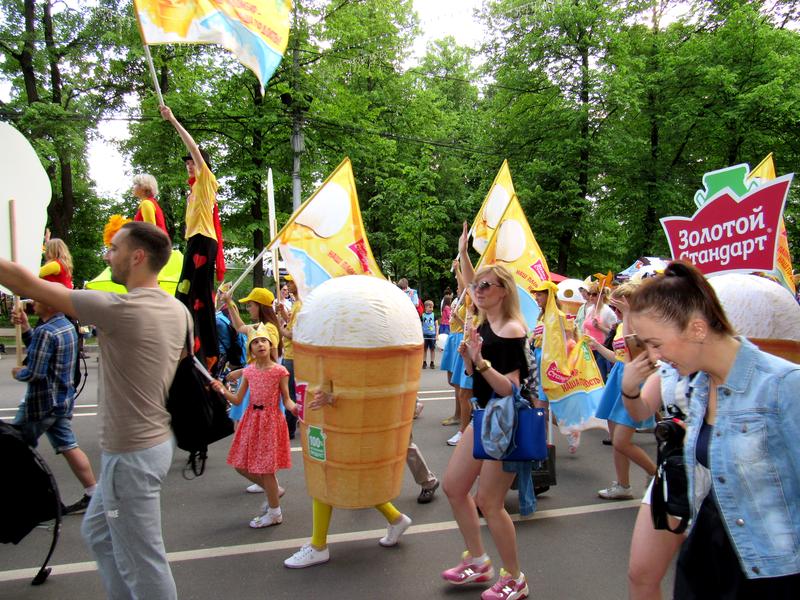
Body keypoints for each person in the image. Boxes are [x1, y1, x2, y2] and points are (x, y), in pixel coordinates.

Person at [0, 221, 187, 599]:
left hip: (131, 458)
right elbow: (180, 355)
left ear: (137, 257)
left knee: (143, 557)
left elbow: (28, 284)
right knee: (100, 532)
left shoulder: (119, 309)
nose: (108, 254)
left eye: (114, 248)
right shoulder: (178, 310)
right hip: (151, 446)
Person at [626, 260, 800, 598]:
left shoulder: (782, 385)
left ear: (697, 329)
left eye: (656, 343)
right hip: (707, 553)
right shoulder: (699, 386)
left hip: (771, 569)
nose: (654, 356)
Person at [442, 225, 530, 600]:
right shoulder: (484, 320)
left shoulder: (510, 328)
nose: (477, 290)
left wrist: (479, 363)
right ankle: (478, 561)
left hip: (503, 421)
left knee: (490, 503)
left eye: (486, 286)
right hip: (482, 417)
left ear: (504, 291)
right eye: (477, 286)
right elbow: (467, 277)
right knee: (454, 488)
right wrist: (463, 252)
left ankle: (515, 578)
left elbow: (510, 388)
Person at [283, 386, 413, 568]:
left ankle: (318, 546)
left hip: (348, 421)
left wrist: (334, 398)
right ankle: (396, 518)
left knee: (326, 476)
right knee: (344, 476)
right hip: (339, 417)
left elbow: (364, 381)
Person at [10, 299, 97, 515]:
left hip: (41, 405)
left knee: (14, 449)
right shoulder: (66, 326)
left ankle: (32, 504)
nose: (33, 302)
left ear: (49, 305)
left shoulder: (46, 331)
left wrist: (19, 373)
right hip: (61, 400)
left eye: (37, 299)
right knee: (69, 446)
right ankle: (94, 495)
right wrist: (26, 327)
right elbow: (41, 351)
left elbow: (35, 372)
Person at [211, 324, 297, 528]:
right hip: (251, 420)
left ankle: (275, 512)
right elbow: (238, 399)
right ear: (250, 349)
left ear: (271, 345)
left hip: (271, 421)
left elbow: (286, 399)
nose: (260, 344)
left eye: (264, 341)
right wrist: (222, 389)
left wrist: (295, 408)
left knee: (266, 469)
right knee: (240, 465)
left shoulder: (280, 371)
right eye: (255, 342)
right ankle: (274, 490)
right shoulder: (248, 371)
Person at [160, 104, 220, 370]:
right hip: (194, 241)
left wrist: (172, 119)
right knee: (184, 292)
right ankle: (187, 341)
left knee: (199, 295)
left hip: (203, 240)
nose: (189, 167)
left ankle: (207, 348)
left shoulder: (207, 181)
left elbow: (194, 148)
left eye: (191, 163)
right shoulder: (192, 193)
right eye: (186, 164)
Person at [591, 281, 655, 500]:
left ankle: (658, 475)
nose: (615, 311)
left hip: (634, 379)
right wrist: (597, 346)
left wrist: (627, 315)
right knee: (615, 436)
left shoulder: (642, 324)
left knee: (621, 441)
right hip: (619, 376)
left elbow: (632, 352)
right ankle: (623, 485)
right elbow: (618, 357)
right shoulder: (621, 324)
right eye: (615, 307)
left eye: (619, 306)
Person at [530, 280, 578, 453]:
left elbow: (571, 341)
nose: (536, 297)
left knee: (546, 406)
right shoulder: (541, 316)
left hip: (552, 363)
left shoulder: (559, 315)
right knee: (540, 406)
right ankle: (564, 433)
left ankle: (543, 447)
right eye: (536, 294)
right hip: (538, 360)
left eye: (540, 294)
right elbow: (535, 340)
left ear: (549, 295)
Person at [583, 282, 615, 381]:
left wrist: (599, 327)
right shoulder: (589, 309)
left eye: (594, 294)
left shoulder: (608, 312)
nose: (591, 297)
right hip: (589, 348)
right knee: (590, 376)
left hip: (601, 349)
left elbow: (612, 333)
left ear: (602, 295)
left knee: (601, 375)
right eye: (590, 294)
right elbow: (585, 328)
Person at [422, 300, 438, 368]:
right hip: (425, 334)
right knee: (424, 349)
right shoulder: (422, 315)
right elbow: (420, 325)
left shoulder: (434, 315)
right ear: (425, 307)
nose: (432, 309)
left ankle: (432, 362)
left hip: (432, 334)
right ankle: (424, 362)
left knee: (432, 349)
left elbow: (437, 325)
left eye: (432, 307)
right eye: (430, 307)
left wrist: (437, 335)